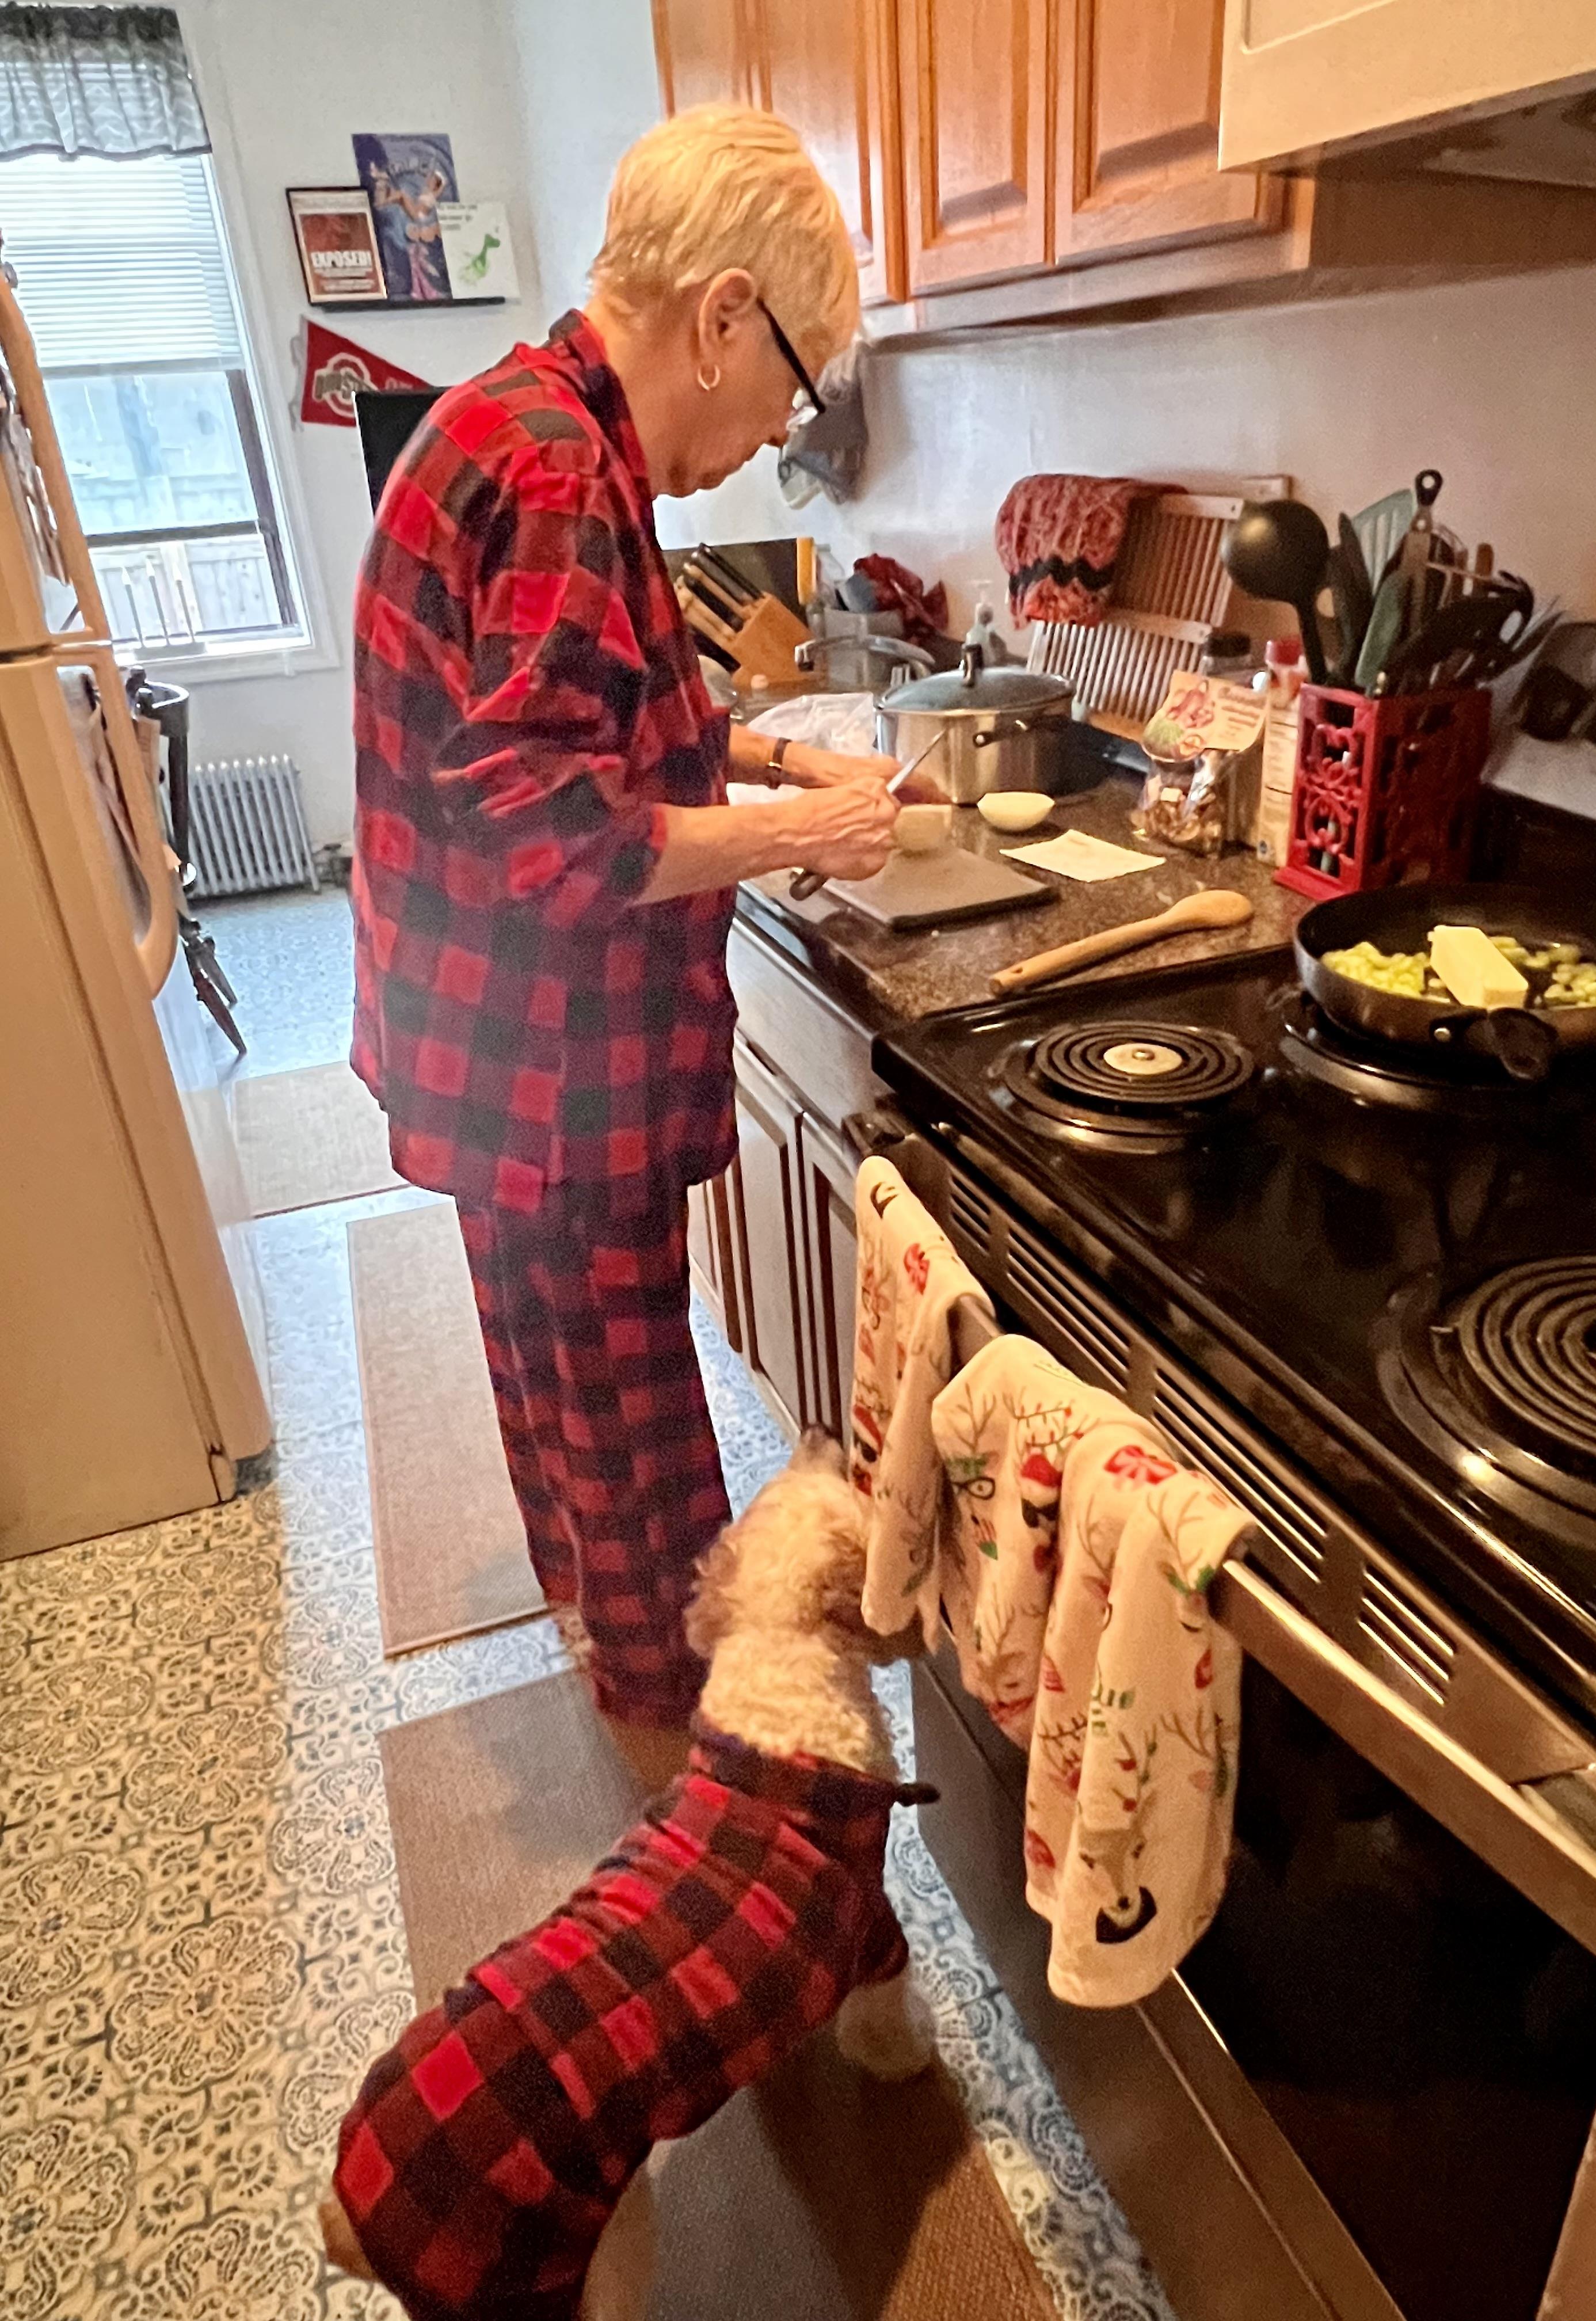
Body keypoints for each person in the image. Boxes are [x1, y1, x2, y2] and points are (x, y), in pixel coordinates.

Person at [351, 106, 908, 1780]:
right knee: (635, 1463)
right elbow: (549, 832)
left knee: (581, 1430)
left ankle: (646, 1717)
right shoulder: (554, 474)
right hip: (551, 1090)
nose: (772, 435)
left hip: (507, 1070)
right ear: (723, 315)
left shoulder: (537, 434)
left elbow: (608, 711)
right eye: (792, 386)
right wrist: (812, 834)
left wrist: (777, 752)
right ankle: (702, 1815)